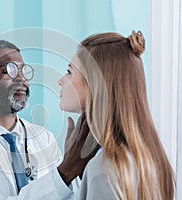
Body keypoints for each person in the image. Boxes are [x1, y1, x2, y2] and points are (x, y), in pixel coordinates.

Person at [0, 40, 98, 199]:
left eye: (23, 70)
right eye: (10, 70)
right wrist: (64, 172)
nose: (21, 79)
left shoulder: (43, 138)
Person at [58, 31, 175, 199]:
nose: (61, 80)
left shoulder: (102, 170)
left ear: (95, 84)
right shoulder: (151, 160)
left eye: (69, 71)